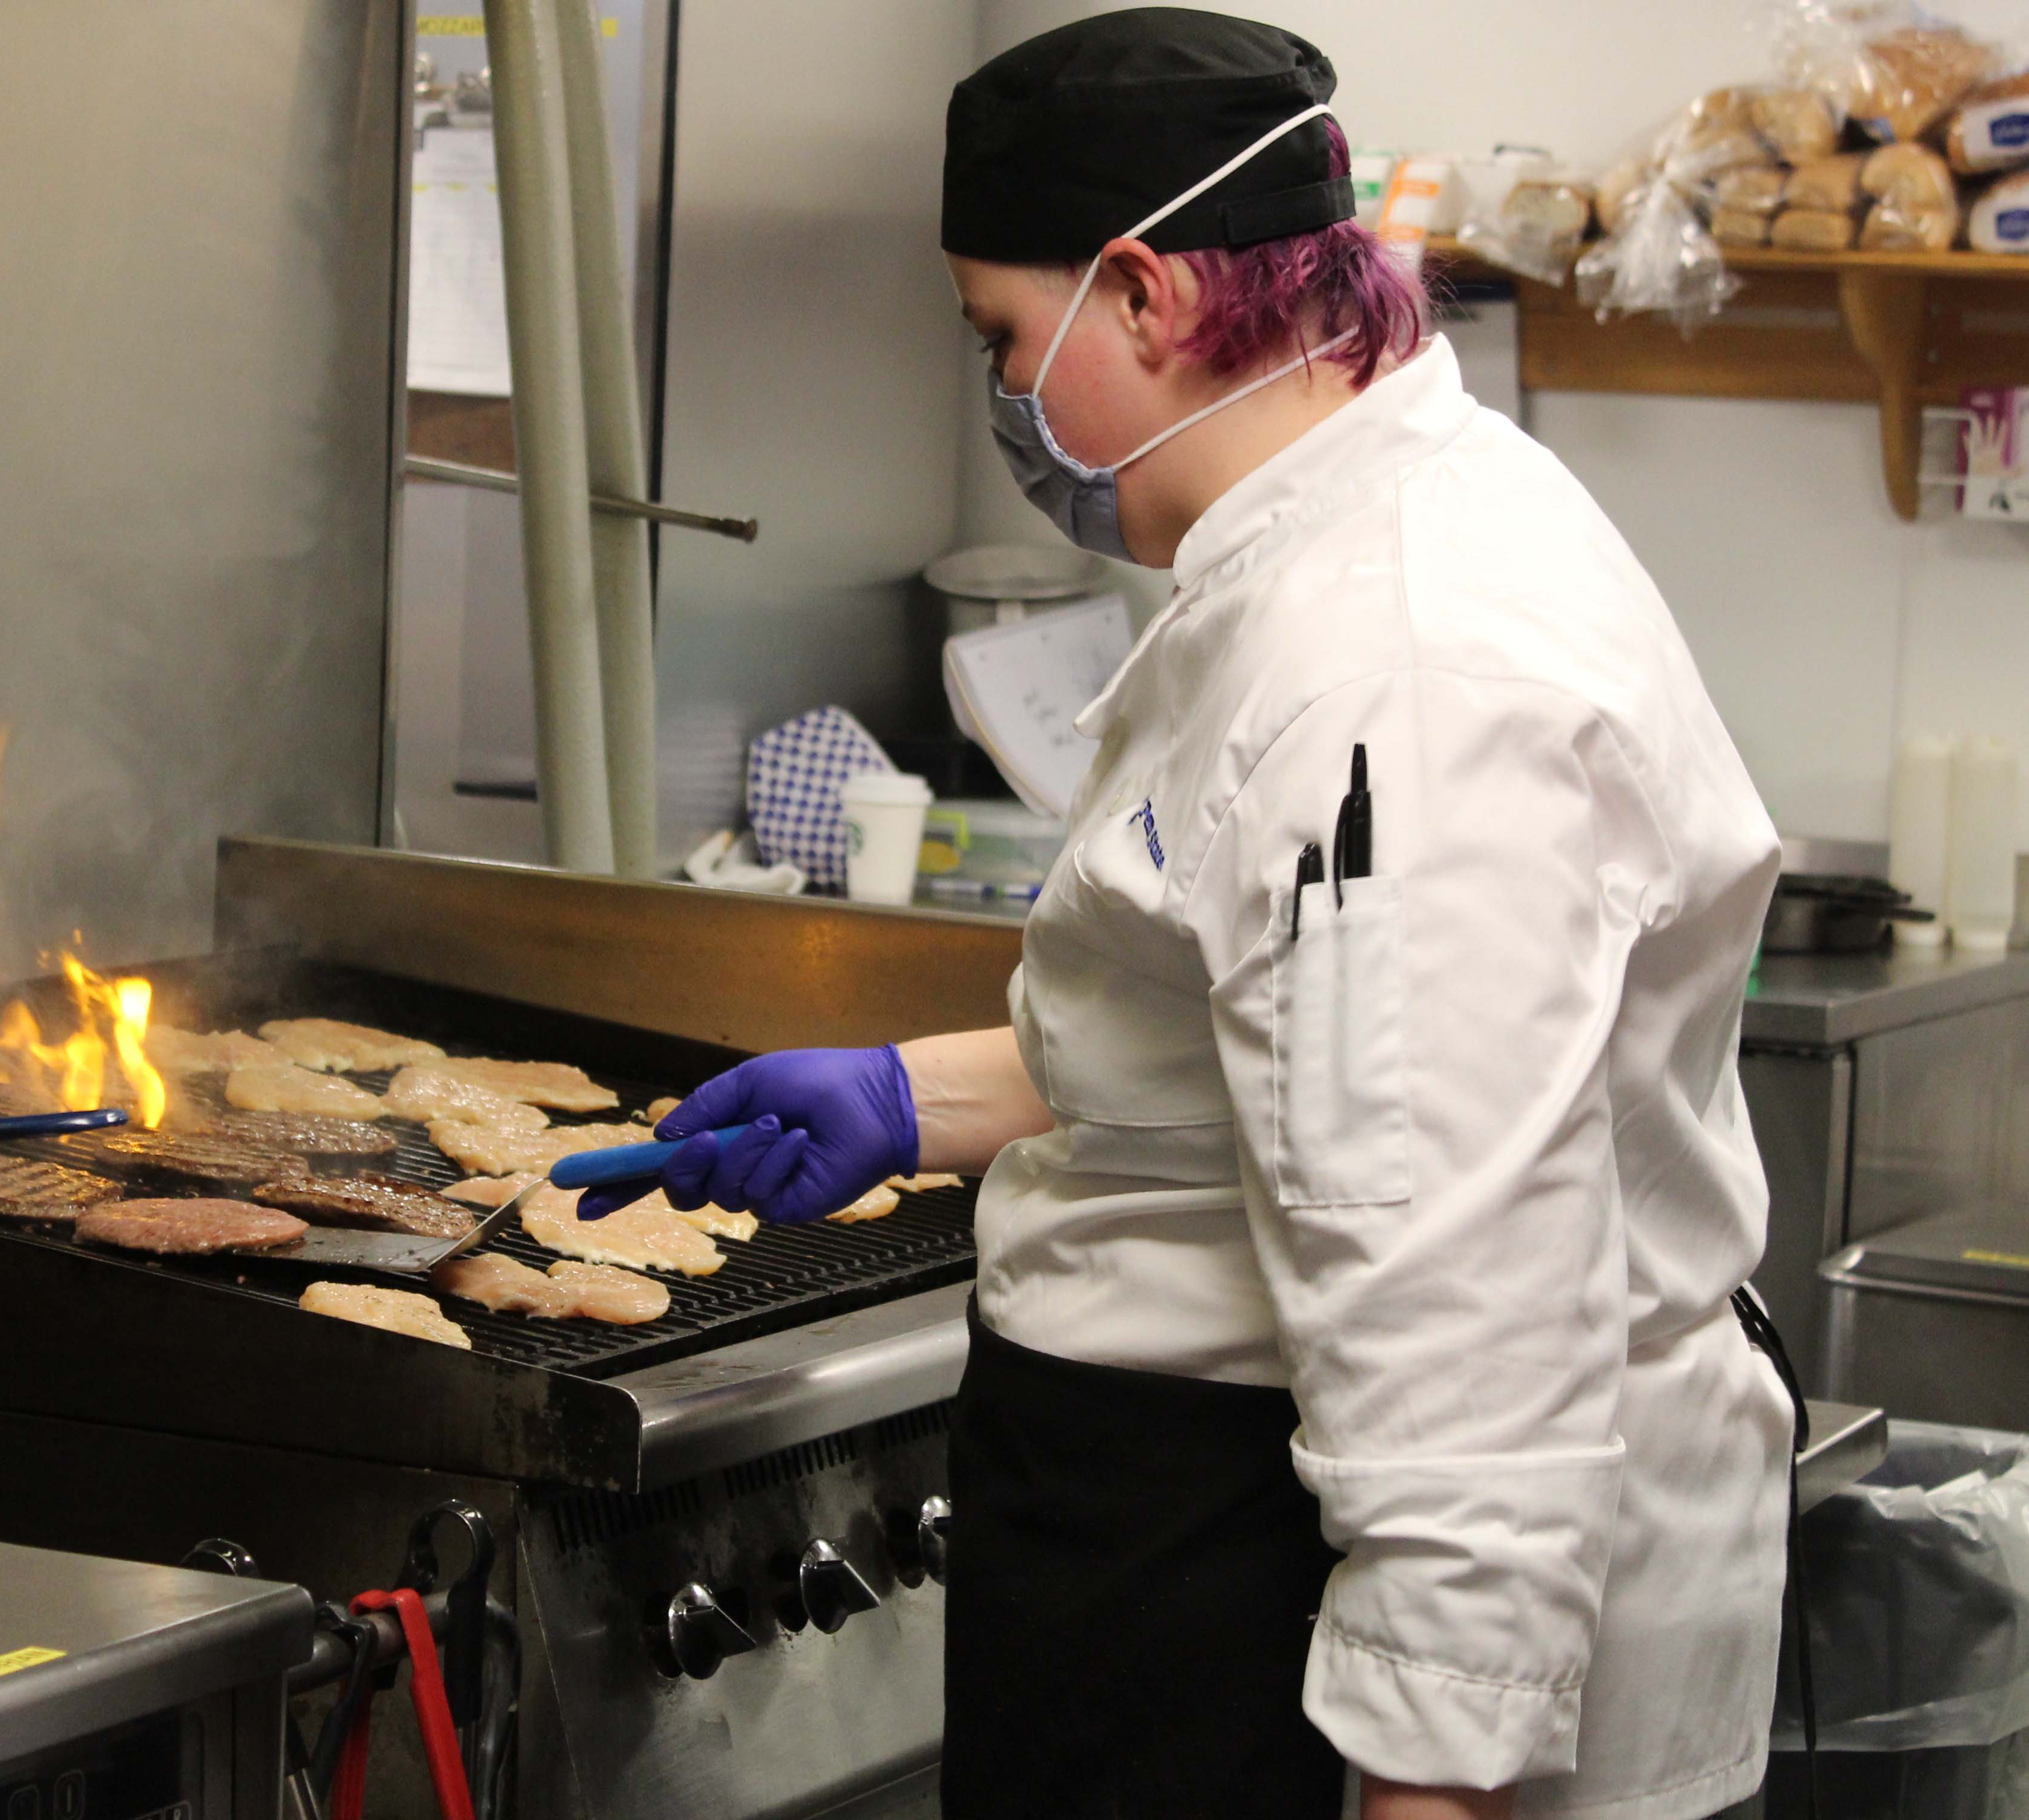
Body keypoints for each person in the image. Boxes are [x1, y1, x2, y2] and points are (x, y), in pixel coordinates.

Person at [584, 11, 1792, 1819]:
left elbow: (1458, 1286)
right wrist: (922, 1100)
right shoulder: (1341, 543)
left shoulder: (1402, 663)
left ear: (1145, 295)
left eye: (1006, 338)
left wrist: (1426, 1791)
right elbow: (1300, 1042)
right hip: (1184, 1543)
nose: (1007, 404)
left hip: (1260, 1584)